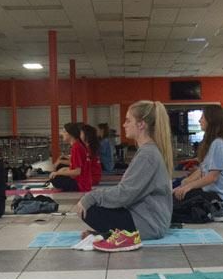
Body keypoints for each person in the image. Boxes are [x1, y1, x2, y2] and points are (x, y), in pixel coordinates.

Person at [73, 101, 174, 251]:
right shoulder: (148, 151)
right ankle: (108, 233)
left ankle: (117, 233)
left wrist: (91, 197)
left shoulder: (147, 155)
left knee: (90, 209)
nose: (124, 125)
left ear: (141, 125)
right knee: (95, 204)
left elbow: (125, 194)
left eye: (128, 120)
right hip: (149, 219)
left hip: (149, 225)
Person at [173, 104, 223, 208]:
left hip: (222, 198)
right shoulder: (214, 143)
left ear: (211, 120)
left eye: (202, 117)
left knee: (176, 202)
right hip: (214, 194)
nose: (199, 120)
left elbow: (212, 177)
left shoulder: (219, 143)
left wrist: (188, 187)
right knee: (174, 196)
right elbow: (203, 169)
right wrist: (185, 184)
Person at [49, 123, 92, 192]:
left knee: (55, 179)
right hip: (84, 182)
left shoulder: (76, 147)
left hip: (81, 184)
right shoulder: (78, 145)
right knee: (59, 171)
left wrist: (58, 173)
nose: (61, 134)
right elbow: (75, 167)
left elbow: (77, 172)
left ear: (70, 134)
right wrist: (63, 170)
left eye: (64, 131)